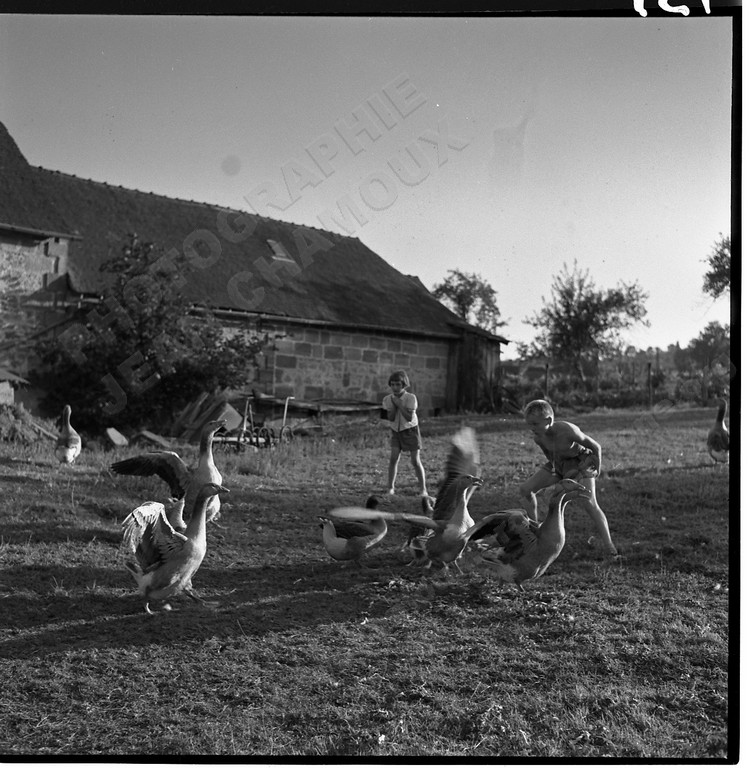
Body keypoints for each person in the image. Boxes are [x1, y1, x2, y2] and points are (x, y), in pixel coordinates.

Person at [518, 399, 619, 556]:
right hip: (559, 464)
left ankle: (609, 546)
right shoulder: (538, 438)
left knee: (589, 502)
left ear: (548, 420)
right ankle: (537, 533)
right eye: (529, 424)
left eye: (535, 424)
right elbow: (550, 456)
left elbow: (595, 446)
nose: (532, 428)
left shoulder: (568, 430)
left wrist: (596, 469)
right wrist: (557, 474)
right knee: (525, 489)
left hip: (581, 462)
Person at [382, 370, 429, 498]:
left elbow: (409, 417)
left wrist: (399, 405)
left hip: (410, 430)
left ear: (403, 385)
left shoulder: (410, 398)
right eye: (392, 384)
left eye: (398, 384)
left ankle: (423, 489)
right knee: (393, 458)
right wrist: (393, 406)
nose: (395, 387)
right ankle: (390, 488)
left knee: (415, 460)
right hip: (396, 431)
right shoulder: (387, 399)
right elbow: (391, 417)